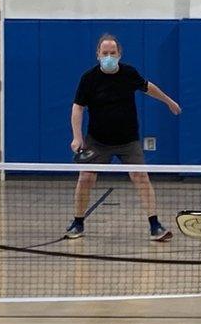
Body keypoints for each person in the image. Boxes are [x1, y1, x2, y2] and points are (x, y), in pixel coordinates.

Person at [65, 33, 181, 241]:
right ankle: (78, 222)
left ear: (119, 54)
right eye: (105, 53)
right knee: (86, 178)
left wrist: (168, 101)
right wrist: (77, 137)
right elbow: (77, 108)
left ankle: (155, 225)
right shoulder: (89, 78)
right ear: (98, 55)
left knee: (141, 178)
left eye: (113, 53)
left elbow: (148, 87)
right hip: (97, 141)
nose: (109, 56)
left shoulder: (128, 73)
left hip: (128, 141)